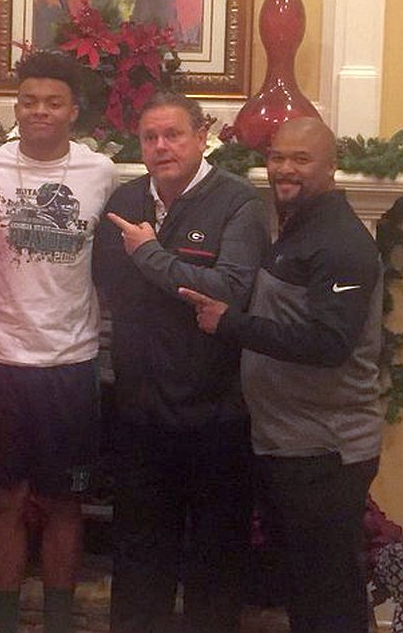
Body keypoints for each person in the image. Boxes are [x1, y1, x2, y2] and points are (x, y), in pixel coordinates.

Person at [180, 117, 385, 633]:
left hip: (325, 452)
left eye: (301, 159)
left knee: (327, 597)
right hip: (286, 445)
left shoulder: (341, 242)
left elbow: (329, 344)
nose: (285, 169)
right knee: (302, 589)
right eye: (277, 157)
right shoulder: (296, 227)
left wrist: (230, 324)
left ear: (331, 166)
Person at [93, 91, 270, 633]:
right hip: (140, 410)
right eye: (150, 137)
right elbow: (110, 286)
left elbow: (232, 290)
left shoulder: (237, 201)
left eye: (173, 135)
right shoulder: (124, 200)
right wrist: (181, 285)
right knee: (138, 553)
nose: (161, 146)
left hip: (215, 413)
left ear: (201, 136)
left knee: (216, 559)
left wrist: (151, 257)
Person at [0, 51, 119, 633]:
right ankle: (6, 622)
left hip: (70, 364)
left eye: (53, 102)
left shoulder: (101, 173)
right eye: (28, 101)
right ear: (16, 107)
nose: (39, 111)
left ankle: (58, 621)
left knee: (64, 503)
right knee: (2, 502)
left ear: (74, 110)